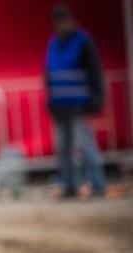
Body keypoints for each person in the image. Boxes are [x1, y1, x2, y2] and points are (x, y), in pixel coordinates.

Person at [45, 4, 106, 198]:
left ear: (69, 20)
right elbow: (49, 74)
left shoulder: (82, 41)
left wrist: (96, 98)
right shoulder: (54, 43)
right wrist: (49, 100)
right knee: (63, 150)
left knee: (86, 147)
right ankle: (70, 187)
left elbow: (95, 71)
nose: (60, 25)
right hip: (59, 106)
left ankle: (97, 184)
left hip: (79, 105)